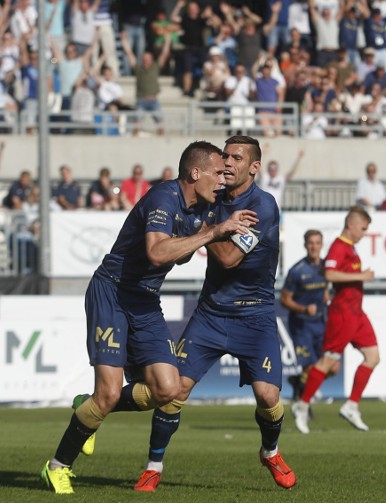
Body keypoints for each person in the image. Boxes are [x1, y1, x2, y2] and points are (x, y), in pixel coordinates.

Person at [41, 140, 258, 494]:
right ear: (195, 172)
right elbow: (158, 253)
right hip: (112, 292)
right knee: (109, 394)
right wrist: (213, 233)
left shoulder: (202, 209)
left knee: (167, 389)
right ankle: (57, 466)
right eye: (218, 172)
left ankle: (89, 407)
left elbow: (183, 255)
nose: (223, 179)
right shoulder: (163, 197)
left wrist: (214, 234)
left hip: (144, 300)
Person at [129, 135, 294, 492]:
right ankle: (153, 466)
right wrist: (208, 228)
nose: (228, 164)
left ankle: (270, 451)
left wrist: (206, 230)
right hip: (212, 313)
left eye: (237, 158)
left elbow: (230, 258)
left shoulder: (263, 206)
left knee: (268, 397)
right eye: (225, 157)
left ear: (254, 167)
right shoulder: (210, 198)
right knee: (175, 391)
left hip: (256, 315)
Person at [292, 206, 379, 434]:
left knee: (373, 357)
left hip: (357, 313)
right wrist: (361, 276)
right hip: (342, 314)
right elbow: (330, 274)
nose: (364, 233)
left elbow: (325, 272)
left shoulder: (351, 248)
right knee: (327, 361)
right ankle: (302, 406)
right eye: (363, 228)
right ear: (351, 225)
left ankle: (351, 405)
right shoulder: (339, 247)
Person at [281, 229, 330, 400]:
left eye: (317, 243)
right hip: (302, 325)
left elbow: (325, 289)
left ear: (322, 245)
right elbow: (284, 300)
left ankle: (298, 383)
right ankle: (304, 405)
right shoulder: (297, 270)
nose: (314, 247)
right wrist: (304, 309)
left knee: (332, 367)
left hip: (321, 323)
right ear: (305, 245)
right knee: (310, 368)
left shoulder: (326, 267)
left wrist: (326, 296)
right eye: (311, 243)